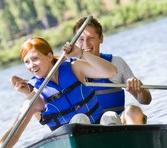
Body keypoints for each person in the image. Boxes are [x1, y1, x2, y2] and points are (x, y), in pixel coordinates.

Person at [0, 37, 116, 148]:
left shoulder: (74, 68)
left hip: (102, 136)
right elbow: (14, 132)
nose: (31, 65)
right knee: (79, 121)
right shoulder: (35, 98)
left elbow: (111, 71)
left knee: (110, 116)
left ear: (49, 56)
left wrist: (81, 53)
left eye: (35, 59)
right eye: (27, 62)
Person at [12, 17, 152, 125]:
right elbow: (45, 115)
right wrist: (28, 92)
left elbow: (145, 100)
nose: (86, 44)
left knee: (133, 110)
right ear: (74, 44)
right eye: (81, 39)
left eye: (91, 38)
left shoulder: (116, 63)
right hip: (87, 128)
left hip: (118, 124)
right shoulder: (70, 70)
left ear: (101, 39)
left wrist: (139, 90)